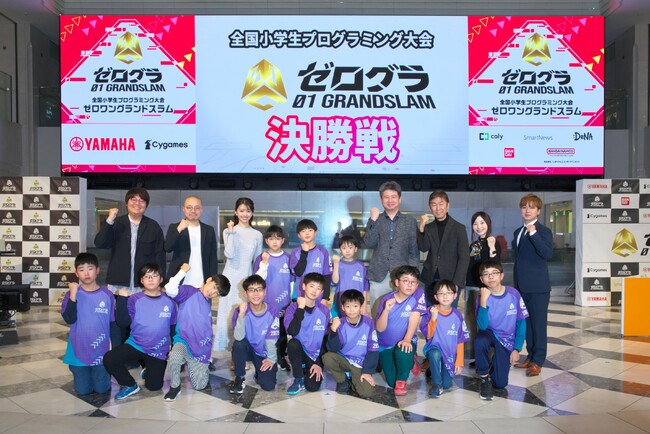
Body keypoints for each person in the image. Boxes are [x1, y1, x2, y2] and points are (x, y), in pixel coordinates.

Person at [103, 263, 178, 400]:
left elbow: (173, 326)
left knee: (154, 386)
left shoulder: (170, 302)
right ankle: (130, 385)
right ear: (141, 280)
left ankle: (148, 370)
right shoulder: (134, 299)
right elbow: (123, 322)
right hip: (136, 344)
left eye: (154, 276)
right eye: (147, 276)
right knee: (109, 358)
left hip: (158, 349)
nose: (151, 279)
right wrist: (122, 300)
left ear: (161, 279)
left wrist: (175, 346)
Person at [163, 263, 231, 401]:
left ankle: (195, 366)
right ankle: (175, 387)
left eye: (217, 293)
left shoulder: (207, 301)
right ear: (209, 280)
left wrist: (206, 353)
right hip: (183, 341)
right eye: (214, 287)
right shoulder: (190, 291)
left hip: (200, 349)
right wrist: (182, 271)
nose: (213, 292)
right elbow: (170, 289)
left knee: (200, 385)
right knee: (175, 357)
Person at [94, 187, 166, 296]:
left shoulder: (153, 226)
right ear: (126, 203)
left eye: (142, 201)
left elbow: (159, 256)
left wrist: (160, 282)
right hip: (118, 283)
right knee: (119, 307)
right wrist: (109, 220)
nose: (137, 203)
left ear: (146, 205)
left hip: (144, 284)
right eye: (134, 199)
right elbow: (100, 243)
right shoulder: (116, 223)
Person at [61, 252, 116, 396]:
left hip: (101, 350)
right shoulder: (71, 294)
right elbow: (69, 319)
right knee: (83, 390)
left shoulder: (107, 295)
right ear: (76, 273)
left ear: (97, 270)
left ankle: (102, 375)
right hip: (78, 350)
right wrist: (73, 295)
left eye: (90, 268)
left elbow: (113, 323)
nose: (86, 273)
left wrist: (114, 351)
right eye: (81, 269)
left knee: (101, 389)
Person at [214, 197, 263, 352]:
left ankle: (240, 349)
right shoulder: (228, 231)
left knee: (243, 313)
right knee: (227, 312)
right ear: (235, 212)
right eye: (241, 211)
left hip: (246, 277)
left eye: (248, 211)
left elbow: (257, 260)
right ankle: (225, 345)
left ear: (252, 213)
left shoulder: (257, 234)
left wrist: (257, 282)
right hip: (230, 276)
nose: (244, 214)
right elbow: (229, 254)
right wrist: (231, 233)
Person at [474, 260, 528, 400]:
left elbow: (521, 322)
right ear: (482, 279)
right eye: (486, 274)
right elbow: (482, 326)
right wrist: (483, 301)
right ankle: (484, 378)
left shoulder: (513, 294)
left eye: (494, 273)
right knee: (480, 341)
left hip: (507, 339)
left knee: (500, 383)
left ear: (502, 276)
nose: (491, 276)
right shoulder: (481, 298)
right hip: (490, 333)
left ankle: (495, 363)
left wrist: (517, 349)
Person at [512, 193, 553, 377]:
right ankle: (530, 356)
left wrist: (534, 233)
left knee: (539, 325)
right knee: (527, 325)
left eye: (531, 207)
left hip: (538, 288)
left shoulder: (543, 231)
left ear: (538, 211)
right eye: (524, 207)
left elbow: (547, 253)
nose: (527, 210)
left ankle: (538, 361)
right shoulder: (517, 232)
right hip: (521, 287)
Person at [364, 181, 419, 310]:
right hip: (379, 275)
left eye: (393, 197)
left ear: (399, 199)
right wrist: (372, 220)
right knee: (377, 312)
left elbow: (414, 250)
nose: (390, 200)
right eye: (386, 197)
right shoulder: (376, 219)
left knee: (402, 313)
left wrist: (412, 275)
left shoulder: (410, 221)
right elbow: (369, 242)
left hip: (403, 276)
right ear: (381, 200)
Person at [374, 265, 427, 395]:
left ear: (417, 284)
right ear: (397, 282)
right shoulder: (386, 299)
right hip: (385, 345)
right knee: (391, 382)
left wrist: (407, 340)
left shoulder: (418, 294)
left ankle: (402, 381)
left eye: (413, 282)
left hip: (406, 341)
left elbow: (415, 316)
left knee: (404, 351)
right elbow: (379, 328)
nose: (409, 285)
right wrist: (386, 310)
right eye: (405, 281)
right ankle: (410, 362)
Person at [417, 190, 469, 309]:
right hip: (431, 278)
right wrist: (421, 228)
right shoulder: (429, 227)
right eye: (434, 204)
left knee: (448, 313)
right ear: (430, 207)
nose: (438, 208)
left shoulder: (459, 228)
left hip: (451, 279)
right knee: (431, 312)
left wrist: (457, 282)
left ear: (448, 205)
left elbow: (464, 258)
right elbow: (423, 248)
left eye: (441, 204)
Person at [323, 289, 379, 399]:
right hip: (344, 360)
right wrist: (333, 330)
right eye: (348, 306)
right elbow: (333, 349)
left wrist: (367, 371)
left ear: (361, 307)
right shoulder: (340, 323)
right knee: (327, 358)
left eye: (355, 306)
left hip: (360, 363)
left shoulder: (368, 322)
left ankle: (353, 379)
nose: (352, 310)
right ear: (343, 307)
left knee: (367, 393)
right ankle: (342, 380)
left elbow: (373, 348)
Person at [229, 274, 280, 394]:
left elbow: (272, 338)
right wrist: (241, 315)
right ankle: (240, 377)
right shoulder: (240, 310)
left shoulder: (272, 310)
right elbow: (239, 337)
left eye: (259, 289)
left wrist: (271, 359)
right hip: (247, 349)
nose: (256, 294)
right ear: (245, 294)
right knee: (239, 344)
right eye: (251, 290)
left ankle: (259, 371)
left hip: (263, 351)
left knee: (268, 385)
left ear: (265, 292)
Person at [419, 280, 470, 398]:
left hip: (449, 353)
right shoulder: (430, 311)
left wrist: (459, 362)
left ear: (455, 295)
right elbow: (428, 335)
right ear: (436, 297)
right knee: (435, 354)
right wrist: (433, 319)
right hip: (434, 348)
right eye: (441, 293)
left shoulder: (457, 315)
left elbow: (460, 339)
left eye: (449, 293)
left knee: (447, 385)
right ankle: (436, 384)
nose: (445, 296)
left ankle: (432, 370)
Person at [253, 225, 293, 372]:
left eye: (278, 238)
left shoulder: (288, 258)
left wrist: (291, 302)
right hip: (266, 304)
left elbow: (292, 281)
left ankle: (281, 357)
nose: (274, 242)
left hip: (284, 304)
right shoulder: (261, 258)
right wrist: (264, 263)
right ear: (266, 241)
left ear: (283, 240)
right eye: (271, 239)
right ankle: (266, 357)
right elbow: (257, 280)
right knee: (267, 333)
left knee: (282, 334)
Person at [284, 272, 331, 395]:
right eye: (311, 286)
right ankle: (298, 378)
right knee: (293, 343)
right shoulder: (292, 308)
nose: (314, 291)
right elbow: (292, 331)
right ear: (304, 286)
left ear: (321, 292)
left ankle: (307, 367)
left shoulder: (324, 311)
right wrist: (300, 308)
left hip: (315, 355)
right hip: (299, 351)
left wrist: (318, 363)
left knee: (312, 387)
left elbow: (325, 339)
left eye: (318, 288)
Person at [466, 211, 501, 362]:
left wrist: (492, 246)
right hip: (471, 287)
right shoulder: (474, 245)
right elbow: (470, 264)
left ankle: (489, 356)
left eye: (482, 223)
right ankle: (477, 356)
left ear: (488, 224)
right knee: (471, 322)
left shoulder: (493, 242)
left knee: (486, 323)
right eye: (475, 223)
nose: (479, 226)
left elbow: (495, 265)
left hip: (485, 289)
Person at [164, 195, 218, 288]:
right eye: (189, 207)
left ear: (201, 210)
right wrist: (179, 229)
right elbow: (167, 248)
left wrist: (212, 278)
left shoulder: (209, 230)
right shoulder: (175, 227)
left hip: (202, 283)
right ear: (183, 209)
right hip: (179, 281)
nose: (193, 211)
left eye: (197, 208)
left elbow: (212, 257)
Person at [289, 219, 332, 304]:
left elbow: (327, 276)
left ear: (315, 233)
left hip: (318, 297)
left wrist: (325, 297)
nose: (307, 233)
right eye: (303, 231)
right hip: (300, 297)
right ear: (299, 235)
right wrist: (304, 253)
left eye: (310, 230)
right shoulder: (295, 252)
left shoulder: (323, 252)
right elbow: (298, 272)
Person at [331, 235, 370, 318]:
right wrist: (336, 264)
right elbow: (335, 281)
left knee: (356, 324)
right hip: (341, 303)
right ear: (340, 250)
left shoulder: (361, 266)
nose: (347, 250)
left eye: (350, 247)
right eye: (344, 248)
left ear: (355, 249)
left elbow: (365, 287)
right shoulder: (338, 264)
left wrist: (364, 305)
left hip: (357, 304)